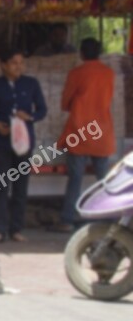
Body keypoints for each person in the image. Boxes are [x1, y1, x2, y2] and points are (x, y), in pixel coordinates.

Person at [0, 48, 48, 243]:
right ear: (3, 65)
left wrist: (30, 117)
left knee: (21, 184)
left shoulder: (31, 84)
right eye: (14, 63)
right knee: (1, 184)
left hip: (25, 140)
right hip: (3, 140)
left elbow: (42, 109)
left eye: (21, 63)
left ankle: (16, 229)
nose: (18, 67)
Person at [50, 38, 115, 233]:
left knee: (75, 178)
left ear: (81, 53)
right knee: (104, 179)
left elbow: (65, 102)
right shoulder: (108, 73)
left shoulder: (76, 74)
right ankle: (112, 218)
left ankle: (68, 219)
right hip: (102, 131)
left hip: (80, 131)